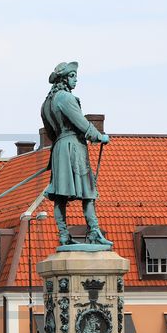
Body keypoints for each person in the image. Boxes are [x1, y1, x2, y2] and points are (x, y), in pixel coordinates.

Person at [41, 61, 112, 247]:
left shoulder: (47, 103)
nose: (76, 80)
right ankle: (94, 231)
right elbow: (81, 123)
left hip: (59, 148)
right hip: (73, 147)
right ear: (64, 79)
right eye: (72, 76)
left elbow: (49, 132)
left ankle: (63, 234)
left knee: (59, 195)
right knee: (88, 192)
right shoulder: (65, 98)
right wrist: (99, 136)